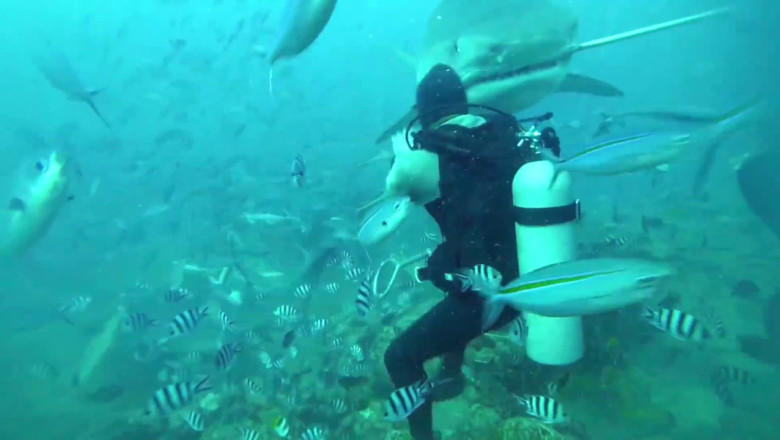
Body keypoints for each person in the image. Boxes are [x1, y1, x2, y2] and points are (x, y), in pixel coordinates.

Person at [383, 64, 563, 440]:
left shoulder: (430, 156)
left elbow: (393, 190)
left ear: (423, 112)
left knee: (398, 356)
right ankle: (452, 369)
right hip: (538, 277)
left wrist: (401, 152)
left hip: (497, 296)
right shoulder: (504, 136)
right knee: (448, 265)